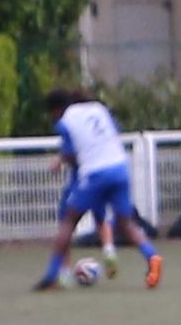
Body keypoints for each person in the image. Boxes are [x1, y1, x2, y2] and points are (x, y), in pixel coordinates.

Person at [34, 87, 156, 292]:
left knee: (68, 221)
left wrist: (61, 160)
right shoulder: (98, 109)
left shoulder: (64, 122)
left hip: (94, 174)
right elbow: (112, 132)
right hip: (120, 168)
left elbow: (72, 154)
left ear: (56, 110)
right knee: (124, 223)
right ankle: (152, 257)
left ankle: (52, 275)